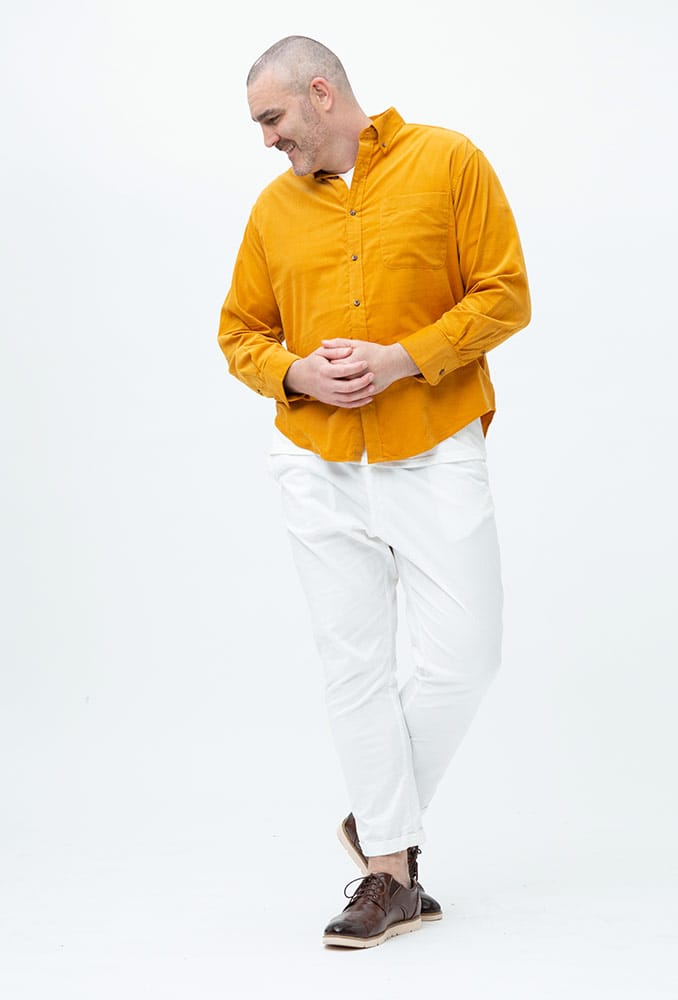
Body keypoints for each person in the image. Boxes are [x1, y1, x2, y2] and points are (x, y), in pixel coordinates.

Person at [217, 35, 531, 949]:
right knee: (352, 666)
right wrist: (297, 374)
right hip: (315, 461)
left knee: (468, 654)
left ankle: (378, 819)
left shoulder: (449, 161)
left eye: (272, 118)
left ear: (321, 93)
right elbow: (240, 333)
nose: (267, 140)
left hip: (433, 445)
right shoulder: (273, 210)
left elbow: (505, 295)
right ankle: (388, 877)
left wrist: (403, 359)